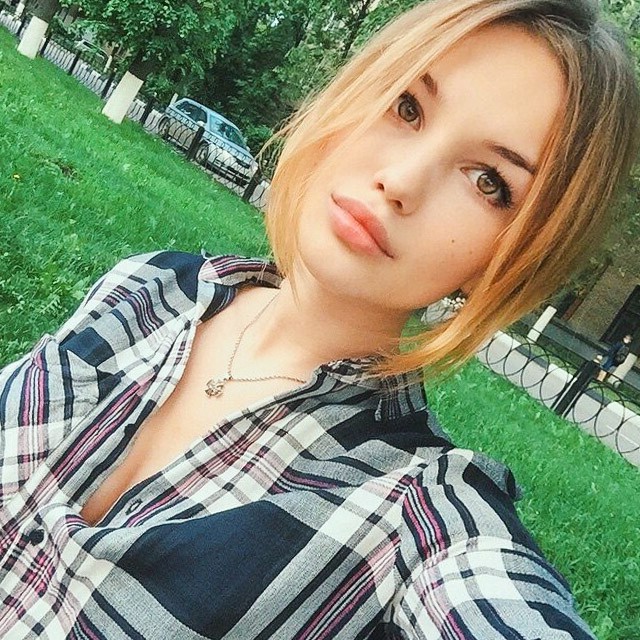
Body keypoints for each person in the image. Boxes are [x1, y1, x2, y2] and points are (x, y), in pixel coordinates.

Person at [1, 0, 638, 637]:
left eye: (489, 181)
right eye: (407, 106)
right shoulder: (150, 285)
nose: (401, 181)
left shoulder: (413, 516)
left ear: (515, 256)